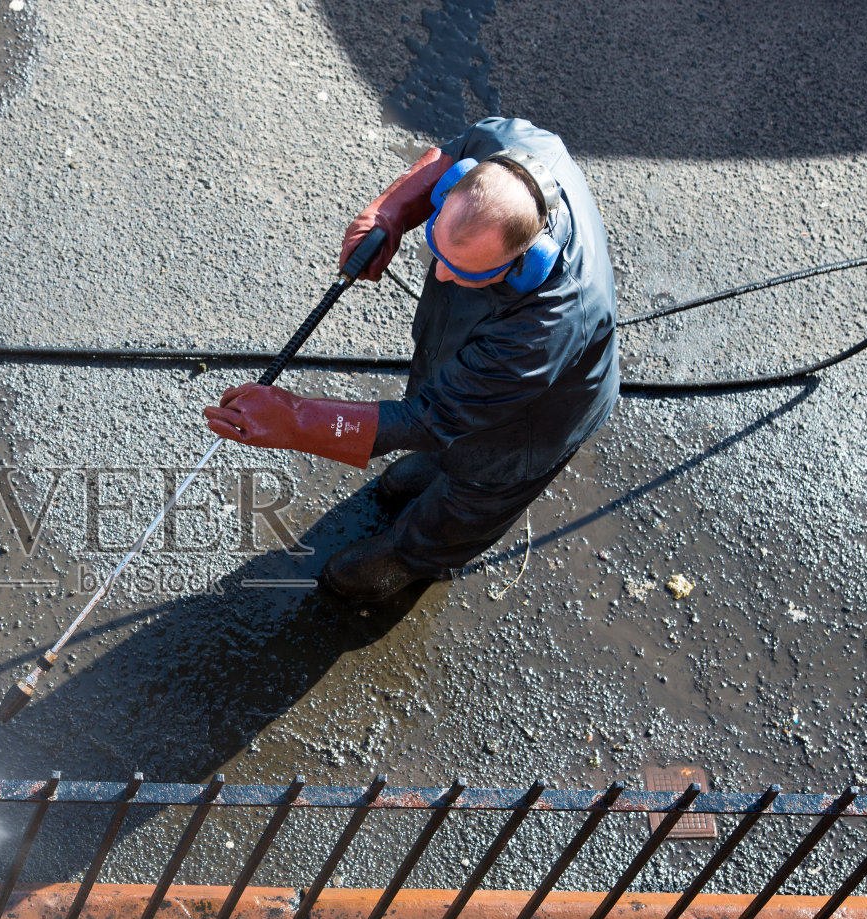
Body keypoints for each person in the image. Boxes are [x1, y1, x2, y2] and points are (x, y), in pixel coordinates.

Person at [204, 116, 619, 604]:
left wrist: (296, 420)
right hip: (469, 367)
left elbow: (431, 418)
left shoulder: (548, 324)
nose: (440, 276)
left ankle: (410, 557)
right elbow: (451, 155)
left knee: (477, 494)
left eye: (463, 272)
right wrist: (389, 214)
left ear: (528, 265)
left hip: (528, 424)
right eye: (437, 252)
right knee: (440, 437)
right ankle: (442, 466)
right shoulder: (516, 143)